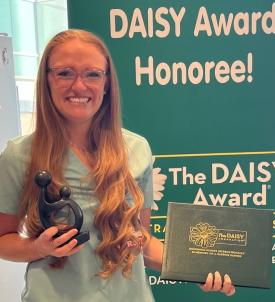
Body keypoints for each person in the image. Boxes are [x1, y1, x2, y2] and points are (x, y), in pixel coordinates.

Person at [0, 29, 235, 301]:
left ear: (106, 82)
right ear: (47, 80)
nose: (79, 86)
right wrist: (40, 248)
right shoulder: (19, 156)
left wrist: (196, 269)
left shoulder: (136, 150)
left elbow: (139, 242)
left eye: (92, 74)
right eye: (65, 73)